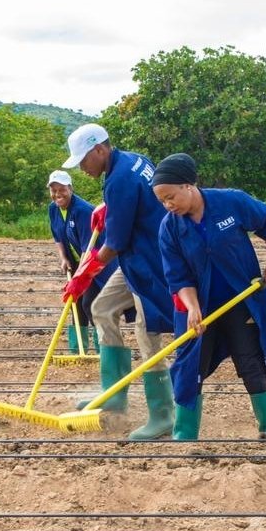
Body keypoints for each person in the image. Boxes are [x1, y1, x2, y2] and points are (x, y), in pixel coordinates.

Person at [153, 153, 266, 440]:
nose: (168, 205)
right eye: (162, 200)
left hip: (242, 300)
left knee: (251, 361)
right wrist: (192, 307)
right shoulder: (169, 228)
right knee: (190, 367)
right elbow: (178, 277)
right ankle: (184, 436)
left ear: (188, 185)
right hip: (200, 307)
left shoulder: (231, 201)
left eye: (170, 196)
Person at [62, 123, 175, 440]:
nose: (83, 168)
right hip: (138, 257)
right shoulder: (132, 160)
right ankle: (114, 393)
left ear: (100, 149)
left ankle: (163, 413)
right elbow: (136, 205)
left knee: (145, 328)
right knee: (101, 308)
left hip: (153, 261)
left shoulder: (120, 178)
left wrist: (86, 272)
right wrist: (106, 210)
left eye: (84, 160)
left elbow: (115, 243)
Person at [46, 169, 118, 353]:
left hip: (97, 262)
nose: (57, 194)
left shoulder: (82, 211)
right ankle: (78, 348)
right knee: (75, 302)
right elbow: (58, 237)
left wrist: (80, 277)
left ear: (70, 188)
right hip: (78, 261)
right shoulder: (53, 209)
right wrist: (63, 258)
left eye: (62, 189)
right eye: (53, 190)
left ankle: (105, 348)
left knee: (90, 303)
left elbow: (89, 247)